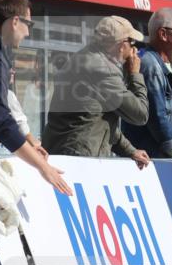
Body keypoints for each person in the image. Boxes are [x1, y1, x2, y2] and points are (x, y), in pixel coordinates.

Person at [0, 0, 71, 195]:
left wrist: (26, 140)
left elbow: (1, 105)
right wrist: (44, 168)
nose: (28, 32)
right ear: (15, 21)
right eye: (29, 24)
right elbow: (1, 122)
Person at [43, 16, 150, 168]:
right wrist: (134, 74)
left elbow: (99, 119)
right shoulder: (103, 70)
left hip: (66, 149)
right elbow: (140, 114)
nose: (135, 50)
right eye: (132, 43)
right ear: (121, 45)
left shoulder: (85, 58)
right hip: (79, 157)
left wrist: (130, 150)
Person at [121, 8, 172, 188]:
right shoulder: (150, 64)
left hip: (162, 158)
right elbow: (157, 115)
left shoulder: (170, 70)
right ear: (163, 34)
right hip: (151, 161)